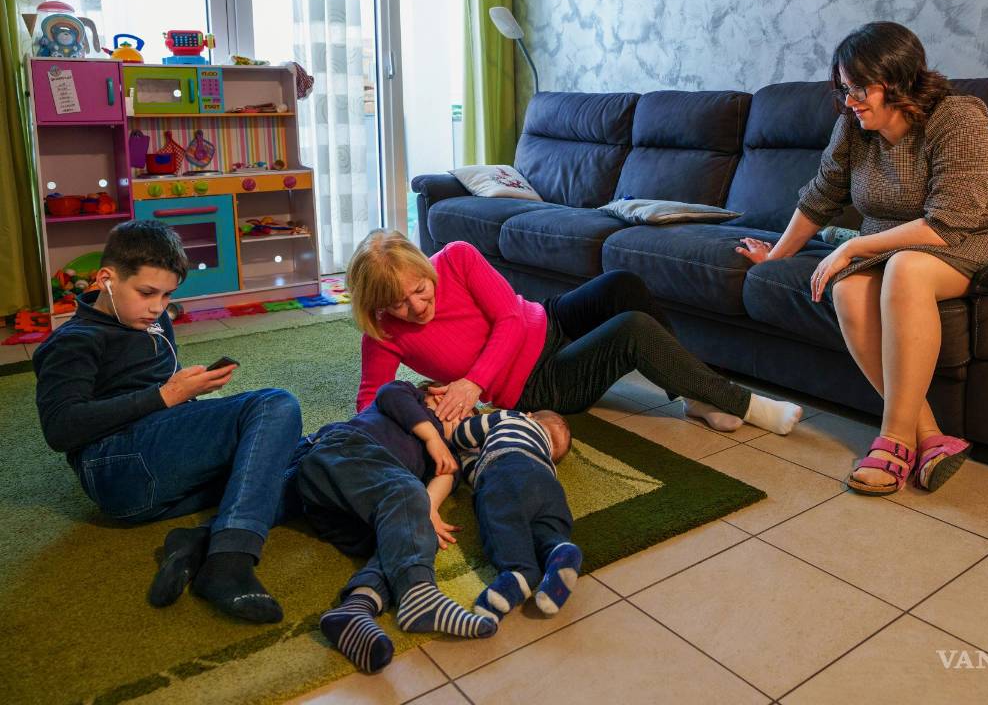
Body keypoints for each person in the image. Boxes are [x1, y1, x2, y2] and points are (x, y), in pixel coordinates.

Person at [736, 22, 988, 495]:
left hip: (973, 237)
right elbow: (821, 197)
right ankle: (930, 438)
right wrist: (776, 256)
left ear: (897, 80)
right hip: (891, 244)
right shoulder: (854, 128)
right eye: (845, 89)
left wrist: (851, 246)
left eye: (859, 89)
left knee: (905, 267)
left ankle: (894, 439)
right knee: (849, 288)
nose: (850, 101)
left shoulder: (957, 118)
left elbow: (946, 224)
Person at [33, 220, 302, 621]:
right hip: (115, 467)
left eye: (167, 295)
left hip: (157, 478)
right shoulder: (74, 341)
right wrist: (168, 395)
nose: (157, 306)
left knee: (297, 459)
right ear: (106, 278)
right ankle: (229, 563)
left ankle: (194, 541)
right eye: (146, 293)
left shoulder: (153, 320)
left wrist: (187, 395)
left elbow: (164, 398)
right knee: (275, 406)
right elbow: (60, 429)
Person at [347, 231, 803, 436]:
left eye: (420, 291)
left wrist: (471, 383)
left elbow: (509, 319)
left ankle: (695, 396)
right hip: (536, 383)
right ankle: (743, 403)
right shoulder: (383, 332)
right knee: (633, 331)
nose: (417, 308)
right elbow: (370, 400)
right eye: (398, 306)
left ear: (426, 267)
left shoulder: (458, 258)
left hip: (548, 320)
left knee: (622, 283)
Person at [294, 380, 496, 675]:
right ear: (436, 394)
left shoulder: (446, 457)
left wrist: (427, 510)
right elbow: (389, 393)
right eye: (462, 412)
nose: (465, 421)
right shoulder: (408, 397)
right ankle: (419, 593)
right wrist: (432, 438)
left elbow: (441, 485)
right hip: (341, 455)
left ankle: (356, 606)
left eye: (470, 422)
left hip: (355, 520)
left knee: (413, 533)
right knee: (406, 494)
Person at [448, 408, 582, 623]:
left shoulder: (509, 416)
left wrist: (460, 445)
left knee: (503, 521)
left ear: (529, 415)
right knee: (546, 524)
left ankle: (520, 571)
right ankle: (557, 549)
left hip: (506, 469)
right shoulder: (544, 457)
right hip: (547, 481)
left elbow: (463, 435)